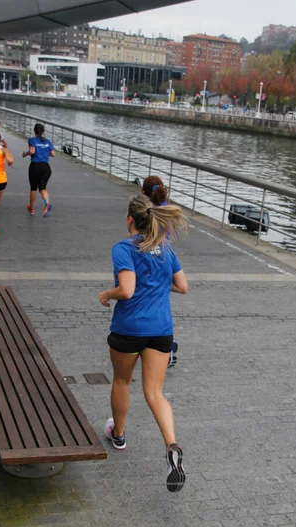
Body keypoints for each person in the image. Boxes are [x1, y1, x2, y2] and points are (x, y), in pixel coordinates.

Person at [99, 194, 189, 493]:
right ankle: (172, 446)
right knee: (155, 392)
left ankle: (119, 435)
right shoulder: (165, 248)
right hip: (161, 330)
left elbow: (126, 290)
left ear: (129, 220)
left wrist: (106, 295)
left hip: (129, 329)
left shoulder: (124, 248)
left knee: (123, 381)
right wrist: (158, 285)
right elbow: (182, 287)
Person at [142, 175, 179, 369]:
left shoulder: (148, 211)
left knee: (147, 298)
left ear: (144, 193)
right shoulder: (167, 208)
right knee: (162, 302)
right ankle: (167, 348)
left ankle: (161, 346)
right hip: (167, 257)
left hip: (149, 257)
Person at [22, 123, 55, 217]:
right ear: (43, 131)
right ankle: (47, 204)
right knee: (42, 187)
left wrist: (26, 154)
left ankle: (31, 209)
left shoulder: (32, 140)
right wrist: (44, 152)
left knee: (33, 188)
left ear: (34, 131)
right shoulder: (47, 141)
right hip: (46, 167)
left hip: (35, 166)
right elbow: (53, 154)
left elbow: (32, 151)